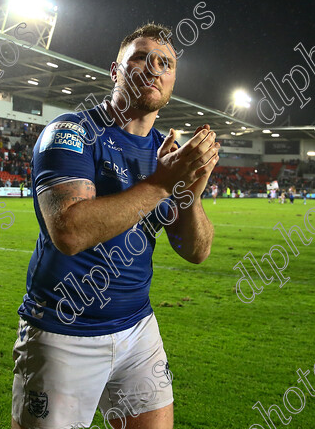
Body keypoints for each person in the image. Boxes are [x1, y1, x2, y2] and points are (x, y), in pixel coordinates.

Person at [12, 24, 218, 429]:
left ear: (173, 79)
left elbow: (196, 251)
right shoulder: (72, 132)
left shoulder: (166, 152)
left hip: (138, 328)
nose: (154, 69)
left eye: (166, 63)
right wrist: (160, 184)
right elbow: (69, 231)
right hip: (63, 330)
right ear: (114, 71)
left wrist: (189, 193)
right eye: (140, 58)